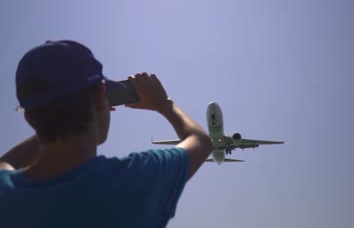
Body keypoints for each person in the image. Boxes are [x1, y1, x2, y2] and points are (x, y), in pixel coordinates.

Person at [0, 40, 213, 227]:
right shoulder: (135, 180)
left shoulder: (6, 193)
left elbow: (5, 162)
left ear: (29, 118)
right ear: (102, 97)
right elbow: (201, 141)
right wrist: (164, 104)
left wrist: (50, 119)